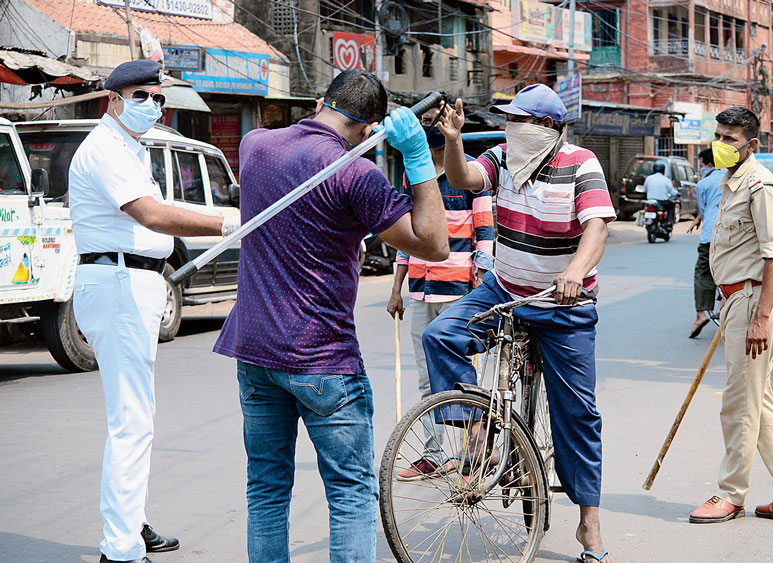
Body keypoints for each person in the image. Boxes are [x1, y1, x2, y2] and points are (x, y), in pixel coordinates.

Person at [213, 70, 449, 563]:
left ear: (322, 101)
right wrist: (420, 160)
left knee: (267, 490)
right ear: (371, 131)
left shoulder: (255, 145)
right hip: (322, 359)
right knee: (349, 496)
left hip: (255, 353)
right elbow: (433, 243)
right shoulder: (354, 174)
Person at [424, 84, 616, 563]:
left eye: (521, 120)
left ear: (549, 128)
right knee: (441, 335)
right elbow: (465, 178)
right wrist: (453, 138)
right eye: (508, 120)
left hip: (563, 304)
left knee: (578, 415)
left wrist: (574, 273)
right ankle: (478, 432)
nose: (512, 128)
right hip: (505, 289)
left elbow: (597, 226)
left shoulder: (581, 163)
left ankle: (589, 521)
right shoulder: (503, 156)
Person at [68, 59, 239, 563]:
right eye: (141, 96)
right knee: (132, 420)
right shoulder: (104, 148)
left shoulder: (129, 148)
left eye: (157, 97)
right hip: (118, 282)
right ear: (113, 100)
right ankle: (120, 549)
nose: (152, 105)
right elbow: (150, 213)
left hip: (135, 281)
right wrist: (225, 224)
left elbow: (153, 225)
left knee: (137, 416)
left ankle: (131, 523)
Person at [688, 107, 773, 525]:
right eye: (719, 136)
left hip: (754, 301)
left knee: (738, 405)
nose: (722, 144)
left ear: (752, 144)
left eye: (730, 139)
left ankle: (731, 495)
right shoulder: (729, 183)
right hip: (736, 301)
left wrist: (759, 317)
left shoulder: (762, 186)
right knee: (758, 399)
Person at [387, 105, 495, 480]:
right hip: (421, 289)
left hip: (459, 291)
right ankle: (431, 455)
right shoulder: (413, 177)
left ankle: (473, 455)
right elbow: (407, 236)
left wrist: (481, 283)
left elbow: (485, 234)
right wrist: (396, 288)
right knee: (425, 377)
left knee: (462, 377)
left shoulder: (468, 174)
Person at [687, 148, 722, 338]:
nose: (700, 168)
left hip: (711, 236)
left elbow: (705, 207)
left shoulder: (703, 185)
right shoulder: (736, 178)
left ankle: (701, 314)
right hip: (735, 237)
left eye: (700, 164)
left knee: (703, 272)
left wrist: (700, 218)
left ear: (708, 164)